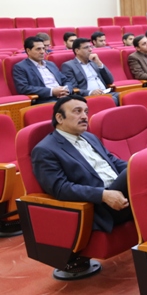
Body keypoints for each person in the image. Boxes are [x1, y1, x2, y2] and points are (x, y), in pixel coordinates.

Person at [32, 96, 131, 240]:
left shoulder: (90, 137)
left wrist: (140, 165)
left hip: (120, 192)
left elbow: (114, 162)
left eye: (86, 111)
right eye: (77, 111)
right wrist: (103, 195)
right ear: (59, 118)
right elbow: (61, 188)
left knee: (144, 166)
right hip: (101, 205)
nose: (84, 116)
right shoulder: (45, 150)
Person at [13, 36, 73, 103]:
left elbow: (66, 80)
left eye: (43, 48)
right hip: (46, 99)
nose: (42, 52)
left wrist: (66, 90)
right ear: (28, 51)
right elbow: (23, 88)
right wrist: (52, 91)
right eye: (38, 49)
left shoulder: (50, 64)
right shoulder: (20, 67)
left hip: (64, 96)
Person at [61, 37, 118, 104]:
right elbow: (73, 88)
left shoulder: (94, 62)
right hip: (88, 96)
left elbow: (110, 80)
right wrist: (90, 92)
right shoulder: (68, 66)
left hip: (106, 92)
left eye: (91, 47)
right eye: (86, 47)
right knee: (113, 99)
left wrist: (99, 63)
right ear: (77, 51)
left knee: (123, 96)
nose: (90, 49)